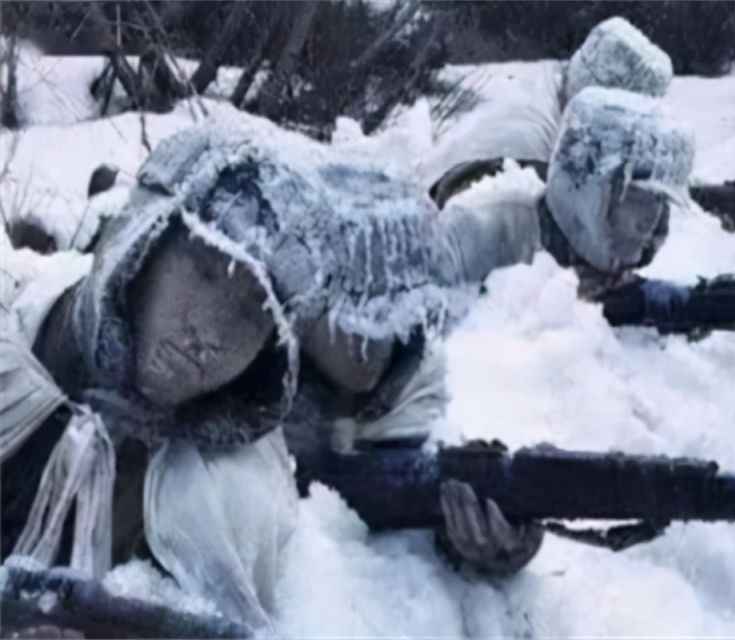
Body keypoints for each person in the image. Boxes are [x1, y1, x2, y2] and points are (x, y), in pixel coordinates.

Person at [1, 49, 691, 640]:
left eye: (251, 312)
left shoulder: (240, 452)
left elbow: (361, 494)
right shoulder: (41, 341)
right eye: (204, 275)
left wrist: (478, 537)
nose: (208, 335)